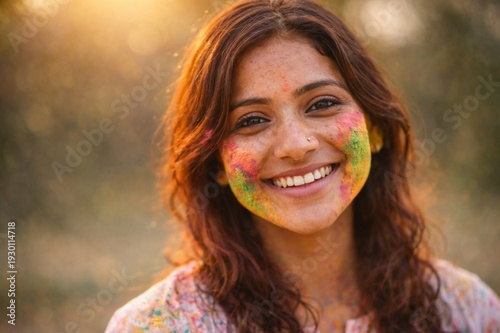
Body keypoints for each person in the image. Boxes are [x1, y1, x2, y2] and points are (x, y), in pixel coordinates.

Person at [105, 0, 500, 332]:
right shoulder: (157, 325)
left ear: (374, 126)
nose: (296, 145)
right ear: (217, 164)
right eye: (251, 120)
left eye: (322, 103)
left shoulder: (466, 310)